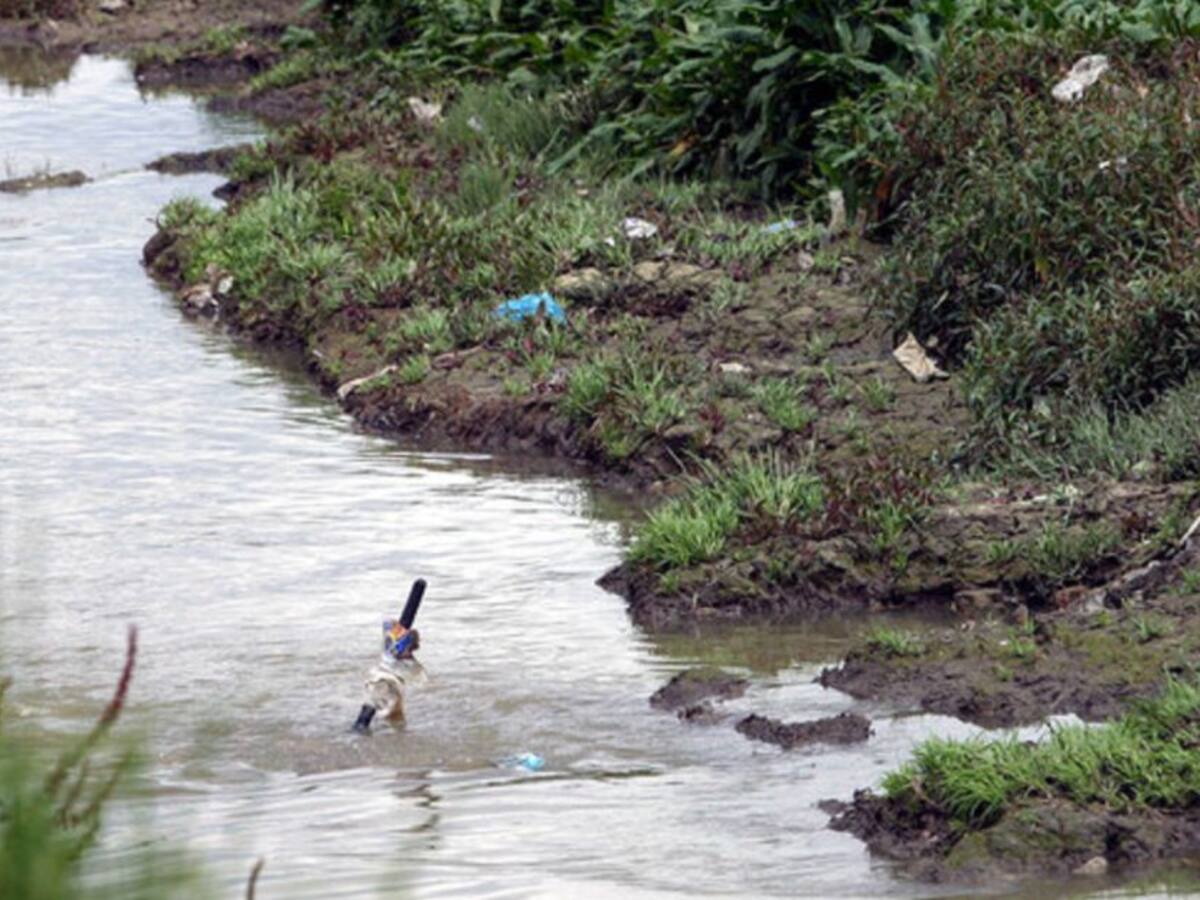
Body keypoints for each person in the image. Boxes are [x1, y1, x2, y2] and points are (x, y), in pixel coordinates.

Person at [352, 619, 426, 733]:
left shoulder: (395, 651)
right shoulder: (392, 651)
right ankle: (361, 731)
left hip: (391, 680)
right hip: (382, 680)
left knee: (395, 717)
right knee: (376, 707)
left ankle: (393, 736)